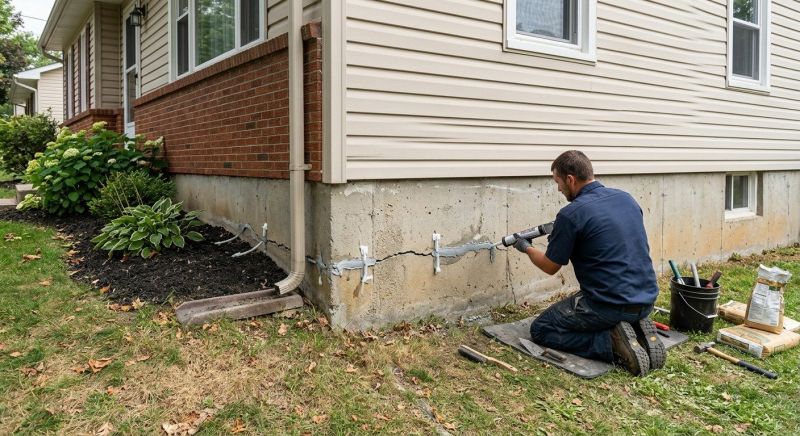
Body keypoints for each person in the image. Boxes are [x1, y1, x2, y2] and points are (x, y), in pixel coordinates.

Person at [513, 150, 664, 376]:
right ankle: (635, 329)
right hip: (646, 299)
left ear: (570, 179)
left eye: (558, 182)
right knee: (611, 307)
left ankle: (611, 343)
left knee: (542, 329)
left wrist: (524, 246)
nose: (558, 189)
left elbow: (550, 266)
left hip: (608, 306)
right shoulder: (626, 198)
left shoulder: (571, 214)